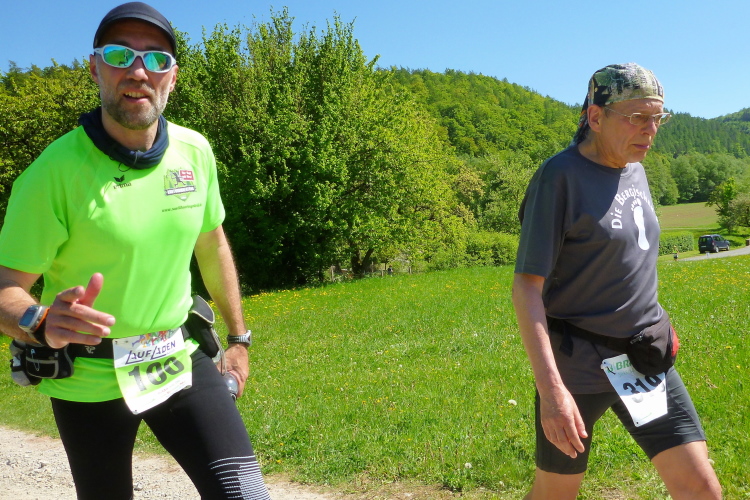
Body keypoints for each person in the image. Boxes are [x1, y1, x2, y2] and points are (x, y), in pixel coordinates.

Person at [0, 3, 271, 499]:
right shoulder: (51, 174)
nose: (139, 71)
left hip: (178, 358)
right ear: (94, 67)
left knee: (246, 495)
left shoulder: (194, 152)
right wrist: (39, 321)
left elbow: (211, 243)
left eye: (157, 59)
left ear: (173, 77)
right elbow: (5, 286)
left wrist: (238, 338)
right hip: (88, 377)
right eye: (120, 55)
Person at [511, 63, 722, 499]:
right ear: (595, 117)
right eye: (637, 117)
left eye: (657, 118)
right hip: (578, 368)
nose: (650, 130)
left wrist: (654, 319)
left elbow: (629, 255)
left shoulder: (635, 168)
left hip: (644, 358)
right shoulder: (559, 178)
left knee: (702, 490)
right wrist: (551, 391)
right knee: (554, 494)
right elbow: (527, 287)